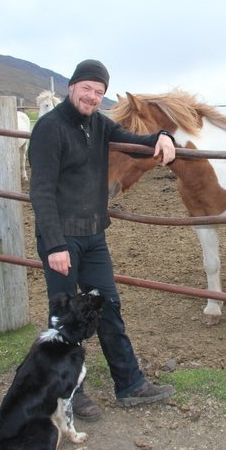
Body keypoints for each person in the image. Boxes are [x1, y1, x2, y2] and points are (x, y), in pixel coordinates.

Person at [28, 59, 177, 420]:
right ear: (72, 87)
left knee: (108, 308)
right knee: (64, 319)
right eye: (87, 89)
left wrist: (163, 137)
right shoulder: (49, 129)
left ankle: (130, 385)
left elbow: (132, 140)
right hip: (62, 239)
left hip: (93, 236)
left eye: (99, 92)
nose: (92, 97)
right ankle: (70, 393)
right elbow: (41, 190)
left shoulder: (98, 124)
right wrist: (55, 244)